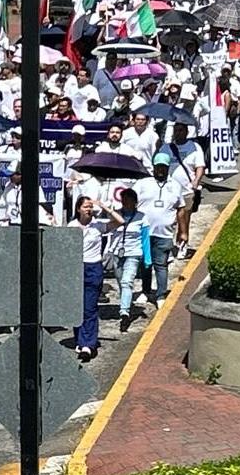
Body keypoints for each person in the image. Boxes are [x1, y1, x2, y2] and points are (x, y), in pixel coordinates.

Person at [69, 197, 123, 361]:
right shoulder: (71, 227)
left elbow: (120, 221)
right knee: (77, 307)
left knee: (90, 308)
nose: (88, 209)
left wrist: (104, 207)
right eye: (85, 207)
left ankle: (88, 344)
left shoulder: (98, 225)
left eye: (90, 207)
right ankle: (80, 340)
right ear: (78, 209)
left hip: (93, 268)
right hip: (76, 267)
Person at [134, 153, 184, 307]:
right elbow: (130, 199)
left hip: (164, 233)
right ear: (153, 167)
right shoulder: (143, 183)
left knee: (161, 265)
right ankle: (146, 290)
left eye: (164, 167)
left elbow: (181, 208)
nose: (160, 170)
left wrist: (183, 231)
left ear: (168, 167)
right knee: (145, 263)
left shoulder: (175, 185)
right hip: (144, 232)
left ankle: (161, 294)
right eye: (158, 167)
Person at [158, 123, 205, 259]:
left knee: (184, 220)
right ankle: (168, 246)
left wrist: (196, 181)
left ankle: (182, 245)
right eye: (175, 131)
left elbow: (200, 166)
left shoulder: (194, 147)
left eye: (180, 130)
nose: (177, 133)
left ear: (186, 131)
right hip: (169, 191)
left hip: (186, 191)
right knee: (168, 220)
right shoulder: (166, 148)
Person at [108, 188, 152, 333]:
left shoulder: (142, 217)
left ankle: (124, 313)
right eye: (123, 199)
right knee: (121, 282)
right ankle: (125, 304)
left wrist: (147, 258)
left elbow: (145, 239)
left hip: (133, 253)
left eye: (128, 199)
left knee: (127, 282)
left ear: (135, 201)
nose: (125, 202)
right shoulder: (116, 215)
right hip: (117, 253)